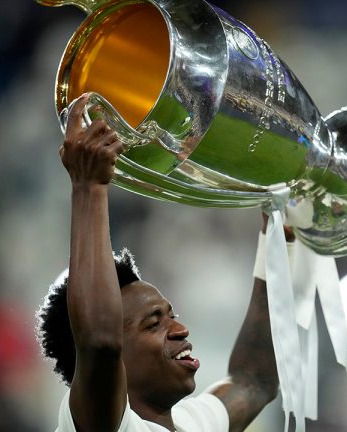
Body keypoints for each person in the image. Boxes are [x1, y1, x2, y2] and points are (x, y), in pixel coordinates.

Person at [36, 93, 280, 432]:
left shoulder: (193, 424)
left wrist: (278, 238)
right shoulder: (100, 423)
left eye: (171, 316)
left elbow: (255, 380)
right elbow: (99, 341)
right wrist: (88, 187)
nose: (180, 330)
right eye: (153, 324)